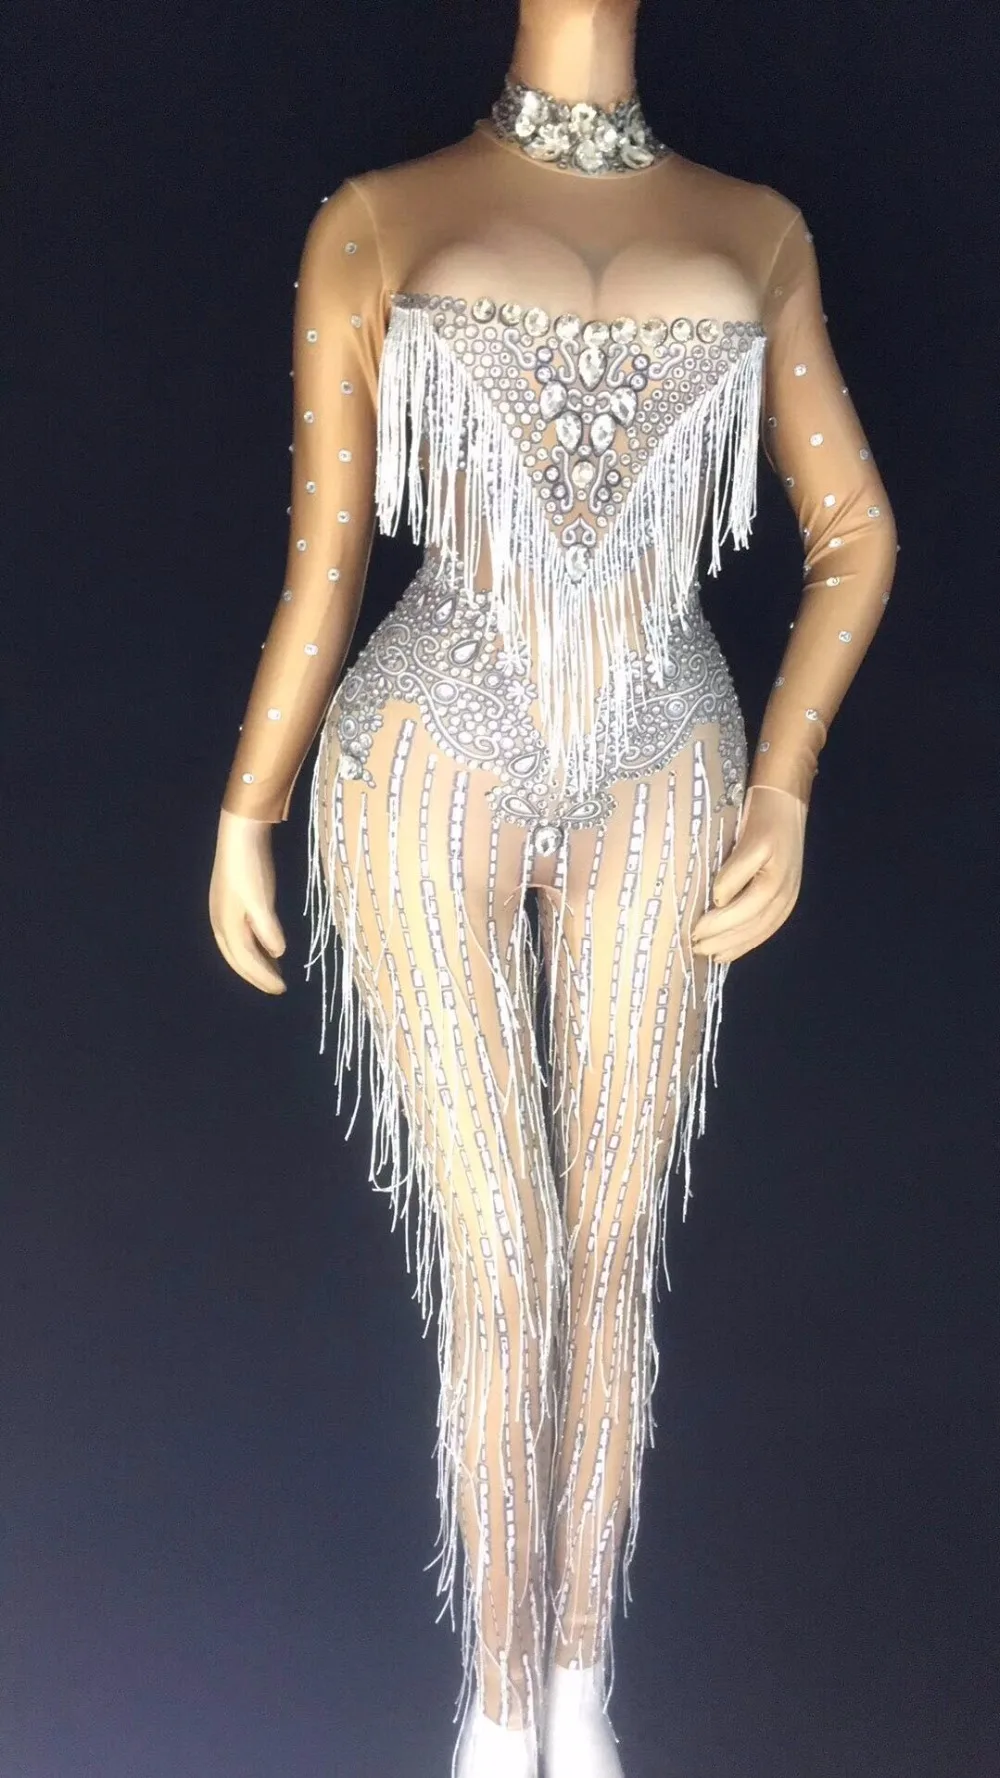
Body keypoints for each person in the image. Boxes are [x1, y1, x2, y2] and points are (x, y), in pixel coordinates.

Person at [209, 3, 898, 1771]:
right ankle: (497, 1707)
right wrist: (249, 803)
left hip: (667, 760)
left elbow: (856, 533)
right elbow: (325, 569)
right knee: (503, 1255)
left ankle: (581, 1697)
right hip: (428, 755)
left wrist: (786, 779)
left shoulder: (758, 231)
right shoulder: (377, 221)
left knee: (609, 1251)